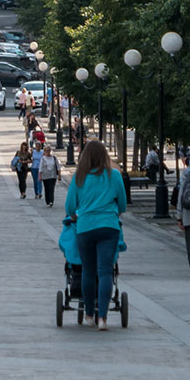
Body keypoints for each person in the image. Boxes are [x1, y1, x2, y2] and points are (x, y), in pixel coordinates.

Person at [65, 141, 127, 331]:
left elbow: (69, 206)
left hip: (85, 227)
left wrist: (76, 217)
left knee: (88, 271)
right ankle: (103, 318)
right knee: (106, 271)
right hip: (108, 226)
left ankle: (89, 315)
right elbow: (123, 205)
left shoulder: (79, 178)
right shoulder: (114, 176)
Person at [38, 142, 60, 206]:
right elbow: (40, 167)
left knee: (51, 188)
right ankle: (47, 201)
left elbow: (58, 166)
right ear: (44, 151)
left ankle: (51, 201)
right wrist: (40, 176)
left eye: (49, 150)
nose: (48, 151)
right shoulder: (43, 158)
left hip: (53, 175)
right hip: (45, 175)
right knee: (47, 188)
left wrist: (59, 175)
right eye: (46, 150)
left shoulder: (54, 158)